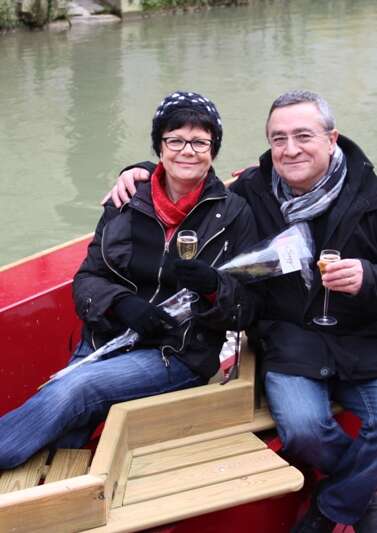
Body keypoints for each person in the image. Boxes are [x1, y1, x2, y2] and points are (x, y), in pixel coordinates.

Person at [108, 90, 377, 533]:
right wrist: (136, 173)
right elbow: (189, 177)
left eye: (303, 136)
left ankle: (333, 507)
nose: (290, 149)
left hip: (362, 340)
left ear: (333, 138)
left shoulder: (370, 194)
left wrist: (368, 277)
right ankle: (363, 489)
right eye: (278, 138)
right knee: (305, 431)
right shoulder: (252, 191)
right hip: (293, 343)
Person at [0, 90, 258, 470]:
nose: (187, 150)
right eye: (175, 140)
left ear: (213, 150)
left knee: (76, 389)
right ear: (159, 146)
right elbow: (88, 278)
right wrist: (122, 303)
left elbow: (247, 308)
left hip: (174, 353)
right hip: (107, 337)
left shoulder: (234, 214)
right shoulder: (127, 200)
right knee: (66, 432)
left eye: (200, 142)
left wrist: (213, 287)